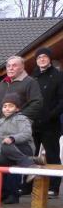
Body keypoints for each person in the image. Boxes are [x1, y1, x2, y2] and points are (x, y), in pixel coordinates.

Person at [0, 93, 47, 204]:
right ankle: (31, 161)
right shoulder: (0, 122)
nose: (7, 108)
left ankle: (31, 167)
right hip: (9, 151)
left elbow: (27, 134)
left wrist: (13, 138)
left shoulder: (21, 119)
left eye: (10, 106)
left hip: (24, 148)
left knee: (6, 148)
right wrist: (1, 152)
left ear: (17, 108)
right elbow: (0, 141)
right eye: (5, 106)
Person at [31, 47, 63, 197]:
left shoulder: (58, 76)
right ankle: (28, 186)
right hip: (33, 122)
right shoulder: (33, 76)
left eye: (44, 57)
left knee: (52, 154)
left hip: (51, 123)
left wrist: (50, 115)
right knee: (31, 154)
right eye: (39, 58)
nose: (42, 59)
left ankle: (54, 187)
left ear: (49, 59)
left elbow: (61, 101)